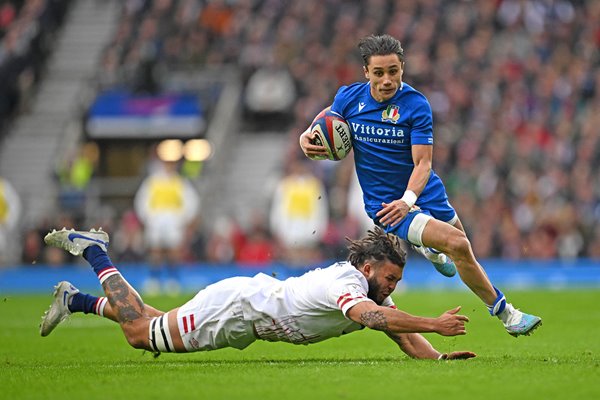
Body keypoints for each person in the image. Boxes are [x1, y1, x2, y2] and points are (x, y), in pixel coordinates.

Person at [299, 34, 541, 337]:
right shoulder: (348, 99)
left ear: (402, 68)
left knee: (463, 252)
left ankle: (429, 246)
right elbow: (318, 126)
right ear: (366, 73)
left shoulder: (415, 105)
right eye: (378, 73)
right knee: (457, 244)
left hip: (426, 193)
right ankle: (509, 315)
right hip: (388, 205)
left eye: (393, 71)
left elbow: (423, 163)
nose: (387, 80)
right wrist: (304, 139)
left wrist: (410, 199)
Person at [39, 227, 475, 361]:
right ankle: (95, 250)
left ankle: (75, 300)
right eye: (391, 280)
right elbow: (374, 320)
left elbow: (400, 334)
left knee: (156, 319)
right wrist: (434, 321)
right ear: (368, 269)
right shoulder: (350, 286)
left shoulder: (373, 291)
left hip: (245, 312)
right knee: (140, 333)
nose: (393, 288)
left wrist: (437, 358)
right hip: (237, 310)